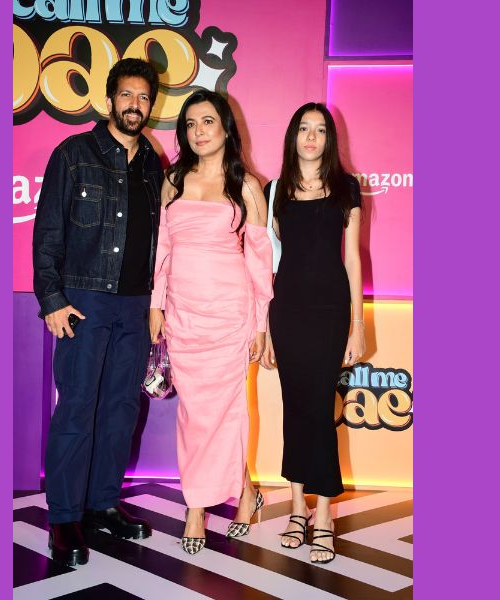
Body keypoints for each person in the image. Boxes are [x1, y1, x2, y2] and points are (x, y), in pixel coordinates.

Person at [32, 58, 164, 567]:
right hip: (83, 302)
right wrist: (51, 299)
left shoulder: (153, 164)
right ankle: (64, 517)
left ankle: (103, 503)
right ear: (110, 100)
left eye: (143, 97)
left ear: (151, 106)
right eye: (126, 95)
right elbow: (48, 233)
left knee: (120, 410)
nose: (135, 105)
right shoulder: (74, 155)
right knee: (77, 408)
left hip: (136, 307)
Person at [149, 90, 274, 555]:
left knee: (229, 413)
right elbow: (162, 250)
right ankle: (227, 495)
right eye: (190, 124)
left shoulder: (247, 186)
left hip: (229, 315)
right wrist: (156, 305)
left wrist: (260, 324)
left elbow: (260, 262)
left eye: (207, 122)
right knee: (194, 415)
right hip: (183, 315)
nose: (198, 132)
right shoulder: (173, 180)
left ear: (225, 128)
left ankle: (207, 506)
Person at [259, 102, 366, 564]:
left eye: (320, 130)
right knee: (295, 407)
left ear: (329, 139)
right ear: (293, 135)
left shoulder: (346, 188)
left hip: (330, 312)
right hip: (287, 312)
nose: (311, 136)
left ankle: (323, 513)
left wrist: (358, 325)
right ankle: (295, 507)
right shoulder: (274, 191)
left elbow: (353, 259)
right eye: (304, 128)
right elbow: (266, 264)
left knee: (320, 410)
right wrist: (265, 327)